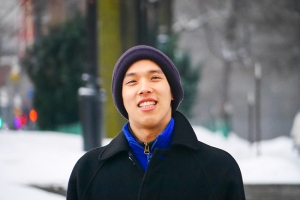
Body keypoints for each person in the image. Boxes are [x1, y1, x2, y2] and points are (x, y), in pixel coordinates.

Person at [67, 45, 245, 200]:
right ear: (122, 98)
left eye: (155, 78)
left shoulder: (219, 169)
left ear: (172, 92)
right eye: (132, 81)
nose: (144, 88)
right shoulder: (87, 172)